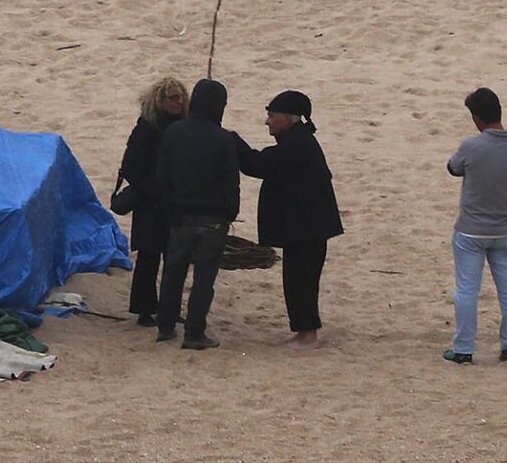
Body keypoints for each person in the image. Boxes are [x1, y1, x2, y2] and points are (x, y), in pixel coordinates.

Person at [237, 90, 343, 350]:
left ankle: (308, 336)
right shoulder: (298, 141)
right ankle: (305, 333)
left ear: (287, 118)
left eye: (271, 116)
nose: (267, 121)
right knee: (297, 279)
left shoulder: (298, 145)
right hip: (306, 228)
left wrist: (231, 141)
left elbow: (257, 164)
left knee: (301, 281)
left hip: (308, 229)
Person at [155, 77, 250, 348]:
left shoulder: (173, 133)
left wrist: (169, 209)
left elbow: (163, 177)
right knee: (203, 279)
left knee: (173, 273)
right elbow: (231, 182)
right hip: (213, 219)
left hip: (179, 217)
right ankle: (194, 333)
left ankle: (165, 326)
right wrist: (230, 213)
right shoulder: (223, 139)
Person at [444, 86, 507, 364]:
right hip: (506, 229)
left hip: (472, 229)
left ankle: (463, 348)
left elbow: (453, 167)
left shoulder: (472, 146)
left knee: (467, 290)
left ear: (477, 117)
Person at [115, 75, 189, 325]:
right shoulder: (147, 128)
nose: (177, 102)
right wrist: (153, 192)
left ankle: (169, 308)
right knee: (148, 258)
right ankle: (144, 309)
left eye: (180, 97)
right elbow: (131, 167)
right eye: (172, 98)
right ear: (160, 100)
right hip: (150, 204)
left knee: (174, 259)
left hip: (175, 202)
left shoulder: (185, 125)